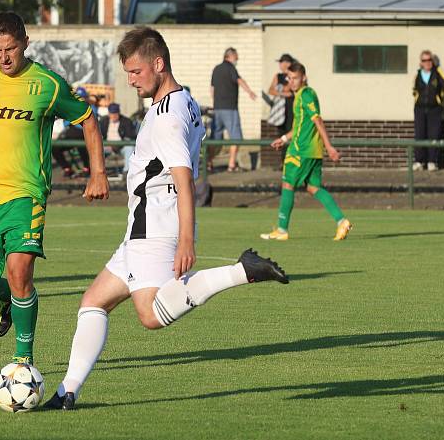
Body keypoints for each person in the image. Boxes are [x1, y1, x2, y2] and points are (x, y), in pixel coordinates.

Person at [44, 27, 288, 410]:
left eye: (136, 72)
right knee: (93, 302)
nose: (130, 80)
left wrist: (187, 240)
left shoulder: (167, 116)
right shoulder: (184, 99)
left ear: (158, 64)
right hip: (143, 223)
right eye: (127, 72)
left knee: (150, 315)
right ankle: (66, 392)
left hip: (153, 224)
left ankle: (243, 271)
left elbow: (183, 177)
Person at [0, 11, 110, 366]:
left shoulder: (47, 84)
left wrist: (98, 173)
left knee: (20, 269)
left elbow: (87, 119)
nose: (4, 58)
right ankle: (6, 295)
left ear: (26, 43)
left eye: (10, 49)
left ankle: (23, 361)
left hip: (26, 195)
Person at [261, 62, 351, 242]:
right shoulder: (300, 96)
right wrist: (284, 139)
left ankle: (282, 229)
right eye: (289, 78)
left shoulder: (306, 94)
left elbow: (318, 121)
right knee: (313, 188)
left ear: (304, 78)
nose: (292, 81)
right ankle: (341, 221)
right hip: (312, 151)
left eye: (295, 78)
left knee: (288, 184)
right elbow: (300, 126)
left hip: (301, 151)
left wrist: (329, 146)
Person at [209, 47, 256, 172]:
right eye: (236, 57)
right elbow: (239, 80)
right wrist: (250, 92)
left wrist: (215, 103)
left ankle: (209, 163)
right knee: (236, 138)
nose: (237, 59)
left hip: (217, 109)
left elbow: (212, 89)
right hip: (230, 108)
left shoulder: (216, 69)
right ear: (229, 56)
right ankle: (231, 165)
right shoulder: (231, 68)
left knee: (215, 139)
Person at [52, 86, 95, 178]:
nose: (80, 99)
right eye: (78, 97)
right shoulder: (71, 107)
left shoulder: (91, 107)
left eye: (82, 97)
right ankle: (67, 168)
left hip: (86, 135)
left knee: (81, 144)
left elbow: (91, 124)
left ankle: (87, 168)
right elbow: (65, 123)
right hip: (71, 134)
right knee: (55, 147)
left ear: (86, 97)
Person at [267, 53, 295, 167]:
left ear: (287, 63)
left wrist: (280, 89)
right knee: (281, 134)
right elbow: (271, 90)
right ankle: (283, 161)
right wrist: (283, 93)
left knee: (290, 133)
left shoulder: (292, 75)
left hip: (290, 109)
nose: (280, 65)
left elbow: (289, 87)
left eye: (282, 62)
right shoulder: (277, 76)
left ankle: (290, 160)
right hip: (280, 111)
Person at [98, 102, 137, 176]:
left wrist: (119, 145)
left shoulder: (126, 121)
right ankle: (98, 171)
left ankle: (126, 171)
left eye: (115, 113)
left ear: (119, 113)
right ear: (108, 113)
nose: (113, 116)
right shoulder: (103, 121)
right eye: (111, 113)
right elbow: (100, 135)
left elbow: (130, 136)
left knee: (130, 147)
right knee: (96, 148)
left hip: (121, 146)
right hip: (107, 146)